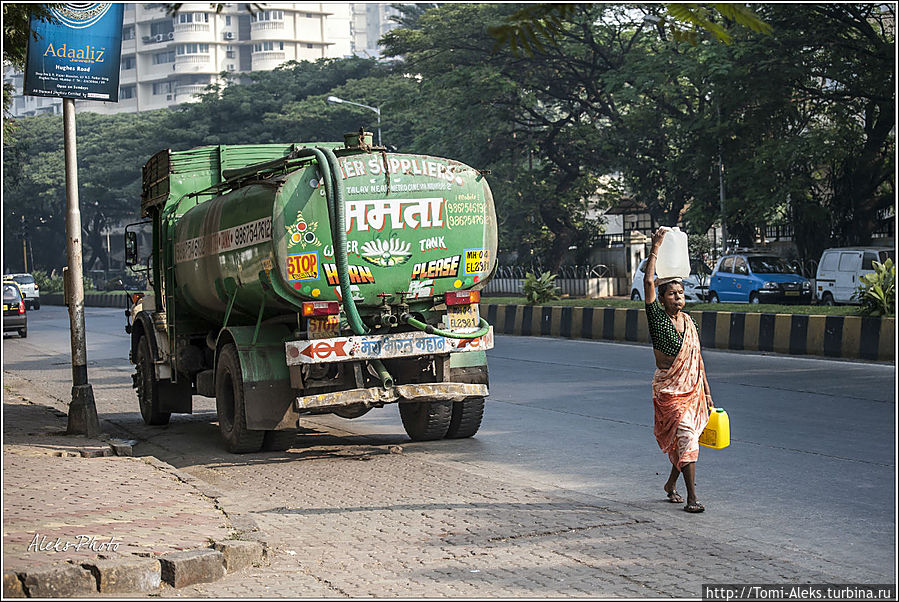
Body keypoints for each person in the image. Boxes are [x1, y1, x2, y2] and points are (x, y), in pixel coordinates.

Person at [643, 227, 713, 513]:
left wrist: (707, 394)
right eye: (672, 294)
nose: (678, 297)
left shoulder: (690, 323)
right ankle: (693, 497)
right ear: (661, 299)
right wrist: (657, 245)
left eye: (681, 293)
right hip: (670, 390)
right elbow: (649, 279)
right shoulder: (656, 317)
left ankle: (671, 485)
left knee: (686, 441)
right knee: (685, 435)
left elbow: (697, 361)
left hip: (692, 390)